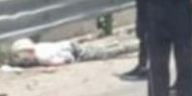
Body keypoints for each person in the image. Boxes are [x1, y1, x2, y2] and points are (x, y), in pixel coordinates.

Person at [8, 37, 137, 68]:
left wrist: (66, 61)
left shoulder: (41, 56)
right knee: (102, 47)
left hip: (74, 52)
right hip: (70, 45)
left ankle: (134, 46)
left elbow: (62, 60)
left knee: (107, 52)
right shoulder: (40, 47)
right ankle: (134, 44)